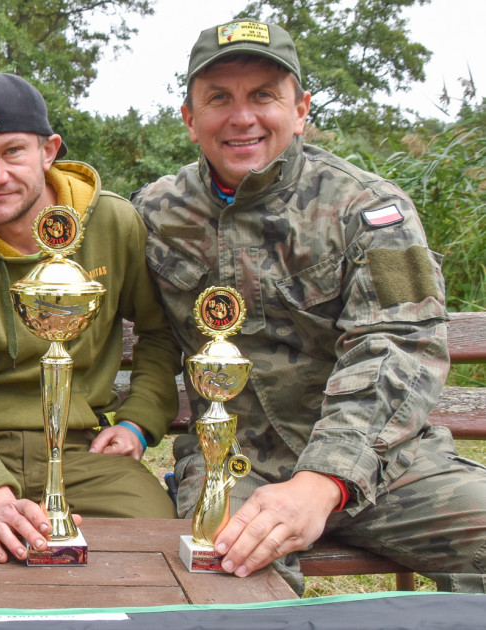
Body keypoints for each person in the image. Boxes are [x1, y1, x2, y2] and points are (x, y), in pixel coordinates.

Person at [132, 19, 486, 591]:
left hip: (383, 463)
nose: (242, 116)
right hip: (234, 462)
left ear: (301, 111)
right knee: (224, 581)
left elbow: (399, 345)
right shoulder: (153, 213)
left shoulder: (370, 208)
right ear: (189, 118)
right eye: (219, 98)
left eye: (264, 96)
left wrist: (323, 481)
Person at [0, 73, 181, 564]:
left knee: (150, 543)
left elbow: (159, 331)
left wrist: (140, 420)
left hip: (84, 454)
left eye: (13, 151)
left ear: (48, 151)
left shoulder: (113, 223)